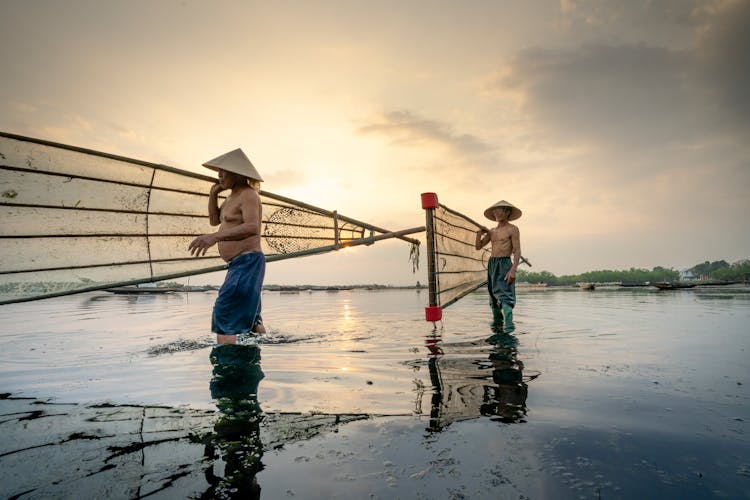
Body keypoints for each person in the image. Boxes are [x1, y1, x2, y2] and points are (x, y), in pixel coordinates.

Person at [188, 148, 266, 344]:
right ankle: (257, 355)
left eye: (224, 171)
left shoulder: (248, 195)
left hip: (248, 261)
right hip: (238, 264)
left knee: (225, 311)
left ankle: (228, 369)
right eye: (218, 171)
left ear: (238, 173)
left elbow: (252, 227)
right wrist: (213, 194)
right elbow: (215, 221)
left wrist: (214, 238)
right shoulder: (231, 197)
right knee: (252, 320)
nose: (219, 175)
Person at [475, 200, 522, 332]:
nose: (495, 212)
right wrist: (479, 233)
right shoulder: (492, 231)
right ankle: (497, 328)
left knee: (506, 299)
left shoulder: (513, 229)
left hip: (505, 264)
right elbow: (478, 247)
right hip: (492, 265)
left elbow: (517, 250)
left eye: (498, 210)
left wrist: (513, 270)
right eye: (494, 211)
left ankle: (508, 331)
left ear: (507, 212)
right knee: (494, 300)